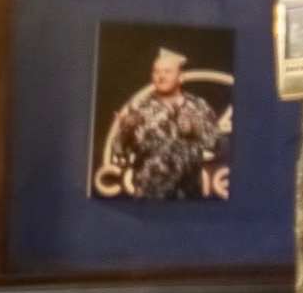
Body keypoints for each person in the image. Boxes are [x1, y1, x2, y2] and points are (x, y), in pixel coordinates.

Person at [98, 45, 231, 199]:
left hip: (189, 196)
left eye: (167, 71)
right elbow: (119, 156)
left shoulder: (199, 107)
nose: (160, 76)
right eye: (156, 72)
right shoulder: (139, 109)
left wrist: (196, 129)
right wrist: (125, 131)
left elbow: (221, 146)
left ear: (181, 76)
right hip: (148, 196)